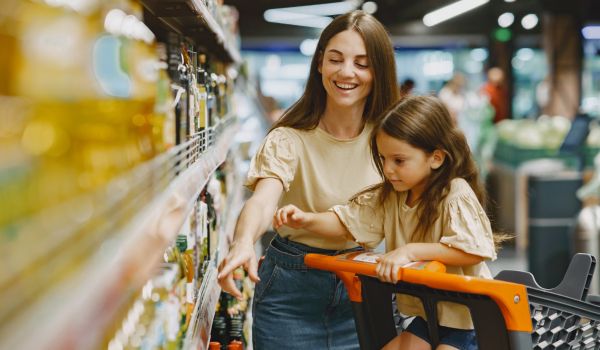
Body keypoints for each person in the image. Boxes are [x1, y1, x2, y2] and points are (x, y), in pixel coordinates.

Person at [217, 10, 399, 350]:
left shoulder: (391, 142)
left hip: (364, 289)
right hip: (291, 293)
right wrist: (242, 242)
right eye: (336, 59)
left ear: (379, 71)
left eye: (362, 63)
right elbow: (263, 200)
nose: (347, 72)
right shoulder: (289, 138)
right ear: (319, 64)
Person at [274, 95, 503, 350]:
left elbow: (472, 250)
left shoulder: (454, 193)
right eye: (383, 159)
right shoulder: (391, 196)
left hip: (471, 320)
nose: (388, 169)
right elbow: (347, 222)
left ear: (435, 158)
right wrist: (306, 220)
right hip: (429, 317)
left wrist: (409, 251)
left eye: (399, 160)